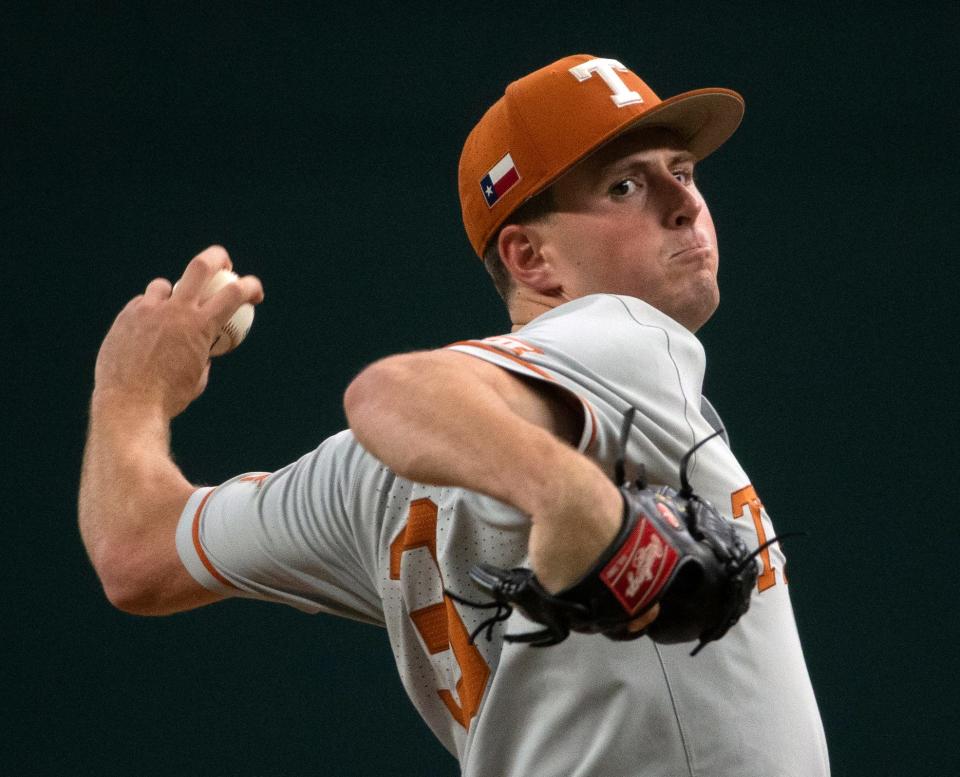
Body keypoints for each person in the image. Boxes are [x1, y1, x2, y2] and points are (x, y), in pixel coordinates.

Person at [79, 54, 830, 775]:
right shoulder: (622, 337)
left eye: (683, 171)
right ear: (532, 259)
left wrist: (129, 394)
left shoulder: (363, 478)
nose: (684, 203)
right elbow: (391, 392)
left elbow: (135, 553)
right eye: (626, 186)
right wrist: (573, 499)